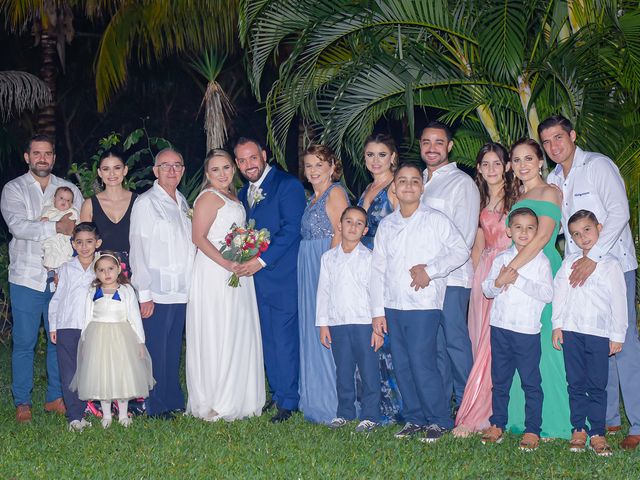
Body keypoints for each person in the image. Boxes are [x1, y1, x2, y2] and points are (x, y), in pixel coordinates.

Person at [542, 115, 640, 451]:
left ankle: (638, 423)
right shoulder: (554, 178)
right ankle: (608, 419)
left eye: (559, 137)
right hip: (577, 272)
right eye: (547, 142)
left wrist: (593, 256)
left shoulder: (597, 166)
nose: (554, 146)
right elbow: (556, 230)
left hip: (613, 265)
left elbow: (619, 211)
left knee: (622, 343)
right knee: (595, 345)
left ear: (572, 135)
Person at [371, 163, 469, 443]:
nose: (409, 186)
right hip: (393, 303)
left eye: (415, 181)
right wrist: (378, 312)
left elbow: (460, 250)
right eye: (403, 181)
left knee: (422, 361)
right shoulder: (388, 225)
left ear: (422, 187)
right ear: (395, 188)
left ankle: (438, 419)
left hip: (424, 304)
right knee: (401, 363)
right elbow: (378, 269)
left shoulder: (436, 219)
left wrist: (431, 270)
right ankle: (414, 417)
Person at [1, 134, 83, 423]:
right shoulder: (14, 189)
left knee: (57, 340)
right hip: (25, 277)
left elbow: (80, 229)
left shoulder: (69, 189)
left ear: (54, 158)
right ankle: (22, 401)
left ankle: (55, 397)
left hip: (60, 279)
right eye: (37, 153)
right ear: (27, 157)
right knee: (23, 341)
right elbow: (18, 227)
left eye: (47, 153)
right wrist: (56, 227)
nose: (42, 158)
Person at [186, 149, 265, 421]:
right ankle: (217, 397)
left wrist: (245, 254)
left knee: (236, 328)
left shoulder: (234, 196)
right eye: (216, 169)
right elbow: (198, 237)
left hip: (237, 268)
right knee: (219, 329)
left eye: (227, 168)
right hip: (215, 271)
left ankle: (239, 395)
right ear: (207, 174)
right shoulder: (209, 197)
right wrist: (227, 263)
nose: (222, 174)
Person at [235, 137, 306, 423]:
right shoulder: (243, 193)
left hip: (282, 276)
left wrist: (260, 261)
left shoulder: (287, 185)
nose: (248, 164)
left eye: (252, 158)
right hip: (256, 282)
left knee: (285, 340)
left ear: (264, 155)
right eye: (241, 160)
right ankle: (277, 393)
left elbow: (291, 230)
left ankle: (290, 399)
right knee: (268, 339)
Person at [504, 138, 571, 439]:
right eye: (516, 160)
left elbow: (543, 237)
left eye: (528, 158)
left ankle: (556, 420)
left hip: (542, 267)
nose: (522, 165)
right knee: (521, 343)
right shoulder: (518, 195)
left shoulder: (550, 192)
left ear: (541, 161)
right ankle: (521, 416)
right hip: (518, 268)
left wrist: (511, 269)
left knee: (546, 343)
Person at [552, 210, 627, 456]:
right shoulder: (568, 263)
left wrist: (617, 335)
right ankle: (578, 429)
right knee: (575, 382)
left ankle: (597, 432)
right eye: (575, 233)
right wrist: (557, 325)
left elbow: (619, 302)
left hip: (598, 333)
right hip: (572, 332)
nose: (582, 237)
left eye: (587, 229)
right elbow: (560, 295)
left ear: (599, 228)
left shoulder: (611, 265)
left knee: (597, 384)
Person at [453, 142, 516, 436]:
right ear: (478, 168)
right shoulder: (477, 201)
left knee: (495, 346)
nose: (491, 169)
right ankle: (485, 408)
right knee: (480, 344)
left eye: (497, 163)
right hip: (484, 275)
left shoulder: (517, 199)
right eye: (485, 164)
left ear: (507, 167)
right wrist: (474, 283)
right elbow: (478, 245)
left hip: (509, 272)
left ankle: (481, 414)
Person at [129, 148, 195, 419]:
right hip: (156, 289)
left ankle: (172, 396)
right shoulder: (146, 203)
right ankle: (155, 404)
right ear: (155, 171)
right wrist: (143, 292)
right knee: (155, 348)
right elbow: (138, 249)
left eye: (177, 165)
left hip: (182, 288)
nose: (172, 171)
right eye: (165, 166)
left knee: (171, 348)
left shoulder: (183, 201)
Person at [480, 207, 553, 451]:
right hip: (500, 328)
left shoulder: (541, 261)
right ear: (509, 231)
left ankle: (533, 429)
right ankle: (497, 423)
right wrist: (499, 281)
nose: (524, 232)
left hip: (526, 331)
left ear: (537, 232)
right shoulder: (501, 259)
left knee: (531, 382)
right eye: (518, 227)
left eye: (530, 228)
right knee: (500, 381)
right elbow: (487, 289)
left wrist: (517, 279)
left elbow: (547, 294)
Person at [419, 121, 480, 413]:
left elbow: (465, 238)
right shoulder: (415, 181)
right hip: (424, 282)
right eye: (426, 142)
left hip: (452, 278)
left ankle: (469, 406)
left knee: (456, 343)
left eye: (438, 142)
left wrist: (431, 269)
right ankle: (443, 406)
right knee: (436, 346)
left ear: (450, 146)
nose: (432, 148)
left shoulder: (461, 183)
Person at [316, 206, 383, 432]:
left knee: (368, 370)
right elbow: (323, 291)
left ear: (365, 230)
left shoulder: (370, 258)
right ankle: (344, 412)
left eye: (359, 223)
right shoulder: (328, 258)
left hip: (364, 323)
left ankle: (370, 414)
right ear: (340, 225)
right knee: (343, 370)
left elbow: (376, 292)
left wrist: (377, 327)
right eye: (349, 222)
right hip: (338, 323)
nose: (353, 227)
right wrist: (323, 324)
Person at [297, 144, 350, 425]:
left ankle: (333, 402)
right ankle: (316, 397)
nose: (314, 170)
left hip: (323, 264)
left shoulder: (336, 192)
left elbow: (342, 231)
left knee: (327, 328)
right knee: (312, 329)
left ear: (332, 167)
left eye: (319, 164)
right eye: (309, 166)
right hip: (308, 265)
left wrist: (327, 270)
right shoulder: (312, 198)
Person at [70, 252, 154, 429]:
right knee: (102, 376)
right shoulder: (93, 291)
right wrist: (84, 340)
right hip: (98, 337)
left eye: (110, 269)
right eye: (101, 270)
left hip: (122, 338)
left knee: (121, 374)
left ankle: (123, 414)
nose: (106, 273)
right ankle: (106, 415)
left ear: (118, 270)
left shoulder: (126, 290)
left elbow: (134, 317)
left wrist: (140, 342)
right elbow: (86, 317)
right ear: (96, 273)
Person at [357, 133, 402, 423]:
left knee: (386, 336)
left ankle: (395, 407)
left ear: (393, 158)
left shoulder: (396, 187)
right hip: (364, 269)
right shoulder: (368, 189)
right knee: (370, 335)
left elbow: (402, 229)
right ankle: (373, 402)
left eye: (381, 155)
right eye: (370, 155)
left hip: (385, 268)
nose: (375, 160)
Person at [48, 222, 102, 432]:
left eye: (89, 242)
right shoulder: (65, 268)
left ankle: (88, 407)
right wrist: (54, 325)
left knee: (88, 369)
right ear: (73, 244)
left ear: (97, 243)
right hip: (67, 324)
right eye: (79, 242)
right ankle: (74, 416)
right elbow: (57, 298)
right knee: (69, 370)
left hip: (91, 325)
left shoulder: (102, 267)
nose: (85, 246)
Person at [80, 149, 138, 275]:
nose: (112, 173)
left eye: (117, 168)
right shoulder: (89, 205)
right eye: (106, 169)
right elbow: (84, 244)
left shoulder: (139, 202)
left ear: (125, 170)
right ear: (100, 173)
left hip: (135, 273)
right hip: (100, 275)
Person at [40, 186, 79, 285]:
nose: (64, 201)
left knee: (65, 256)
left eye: (68, 200)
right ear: (54, 199)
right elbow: (41, 224)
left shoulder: (71, 212)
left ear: (71, 204)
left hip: (64, 240)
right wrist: (44, 220)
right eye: (61, 198)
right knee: (49, 252)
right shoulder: (49, 211)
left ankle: (63, 274)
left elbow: (76, 224)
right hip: (52, 239)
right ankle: (51, 271)